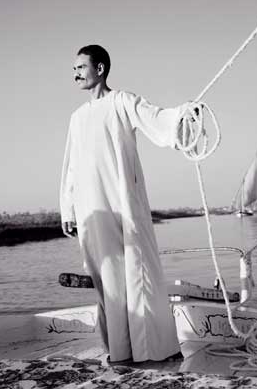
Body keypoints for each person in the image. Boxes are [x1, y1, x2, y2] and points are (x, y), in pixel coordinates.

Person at [59, 44, 192, 363]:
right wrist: (69, 208)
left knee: (137, 271)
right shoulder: (76, 118)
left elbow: (156, 119)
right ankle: (119, 352)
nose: (75, 73)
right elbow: (71, 167)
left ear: (100, 69)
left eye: (81, 66)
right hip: (92, 211)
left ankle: (154, 350)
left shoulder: (122, 101)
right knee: (107, 280)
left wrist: (183, 115)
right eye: (74, 68)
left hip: (123, 204)